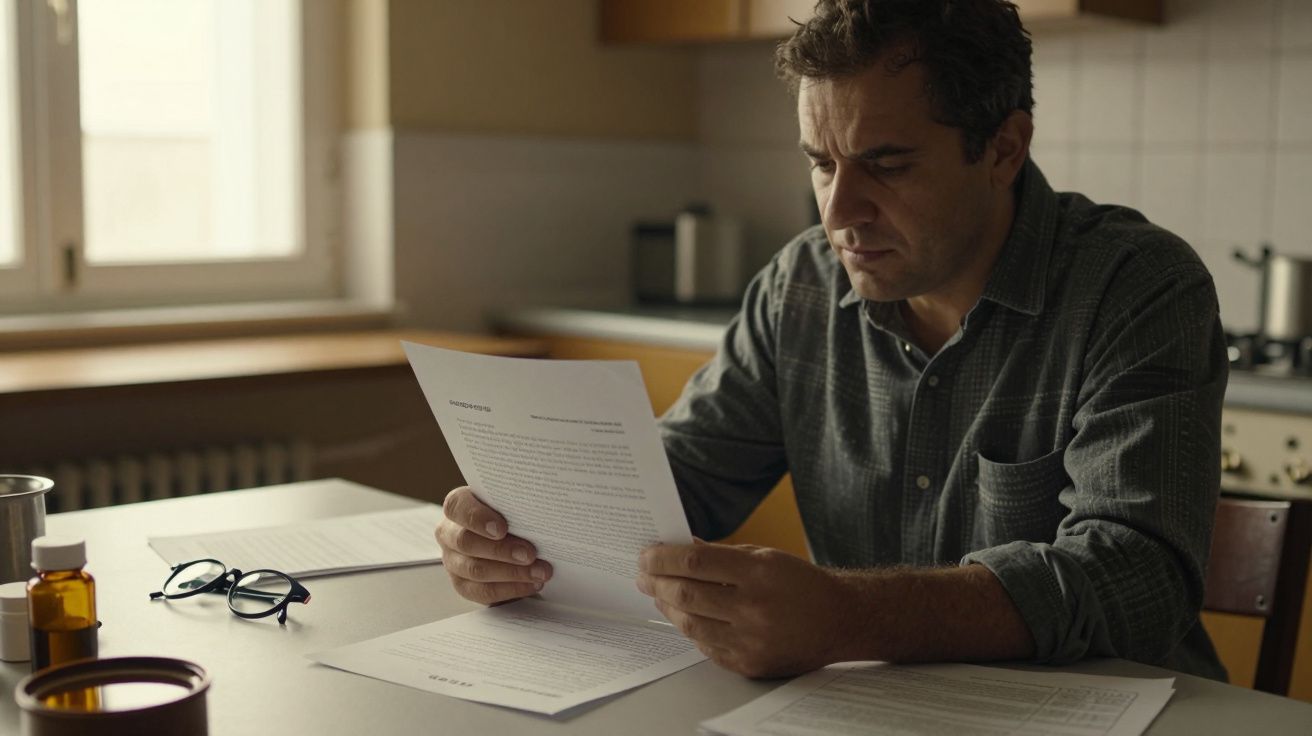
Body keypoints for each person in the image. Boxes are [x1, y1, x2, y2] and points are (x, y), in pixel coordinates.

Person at [436, 0, 1228, 682]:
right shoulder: (802, 286)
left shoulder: (1138, 288)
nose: (839, 212)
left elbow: (1138, 576)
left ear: (1003, 149)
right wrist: (521, 530)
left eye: (885, 165)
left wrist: (853, 616)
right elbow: (681, 482)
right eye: (821, 163)